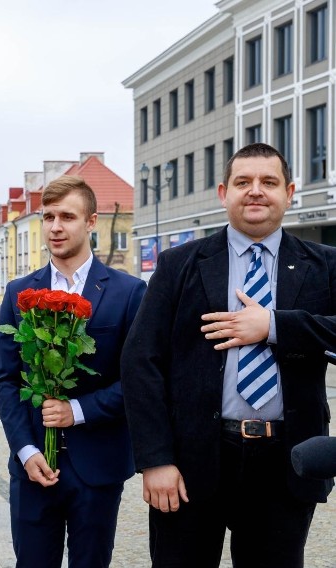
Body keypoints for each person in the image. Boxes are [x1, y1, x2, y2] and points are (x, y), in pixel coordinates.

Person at [121, 143, 335, 567]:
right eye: (243, 182)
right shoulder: (178, 264)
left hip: (285, 464)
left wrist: (274, 326)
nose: (255, 191)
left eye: (268, 182)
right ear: (224, 193)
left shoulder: (325, 265)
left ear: (289, 192)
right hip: (190, 463)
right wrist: (155, 460)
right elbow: (140, 361)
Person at [0, 176, 146, 567]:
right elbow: (7, 380)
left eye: (67, 216)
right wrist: (26, 451)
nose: (55, 226)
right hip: (32, 468)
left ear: (91, 222)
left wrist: (77, 411)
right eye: (48, 217)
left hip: (98, 466)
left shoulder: (128, 293)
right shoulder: (18, 293)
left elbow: (138, 380)